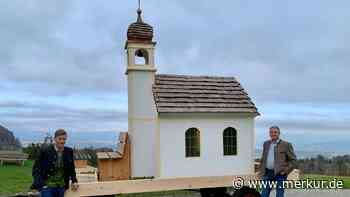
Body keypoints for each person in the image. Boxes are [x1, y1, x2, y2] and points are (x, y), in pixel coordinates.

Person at [31, 129, 79, 197]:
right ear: (55, 139)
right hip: (47, 186)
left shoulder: (69, 151)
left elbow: (71, 168)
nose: (62, 141)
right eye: (60, 139)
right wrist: (41, 185)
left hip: (62, 186)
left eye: (64, 139)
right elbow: (35, 170)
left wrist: (74, 181)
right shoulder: (45, 151)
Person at [259, 126, 297, 197]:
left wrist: (285, 171)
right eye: (271, 132)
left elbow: (294, 161)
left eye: (275, 132)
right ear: (269, 133)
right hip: (267, 173)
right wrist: (261, 171)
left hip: (280, 174)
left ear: (279, 133)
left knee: (279, 194)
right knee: (264, 194)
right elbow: (263, 158)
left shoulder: (286, 145)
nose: (273, 134)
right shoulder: (266, 144)